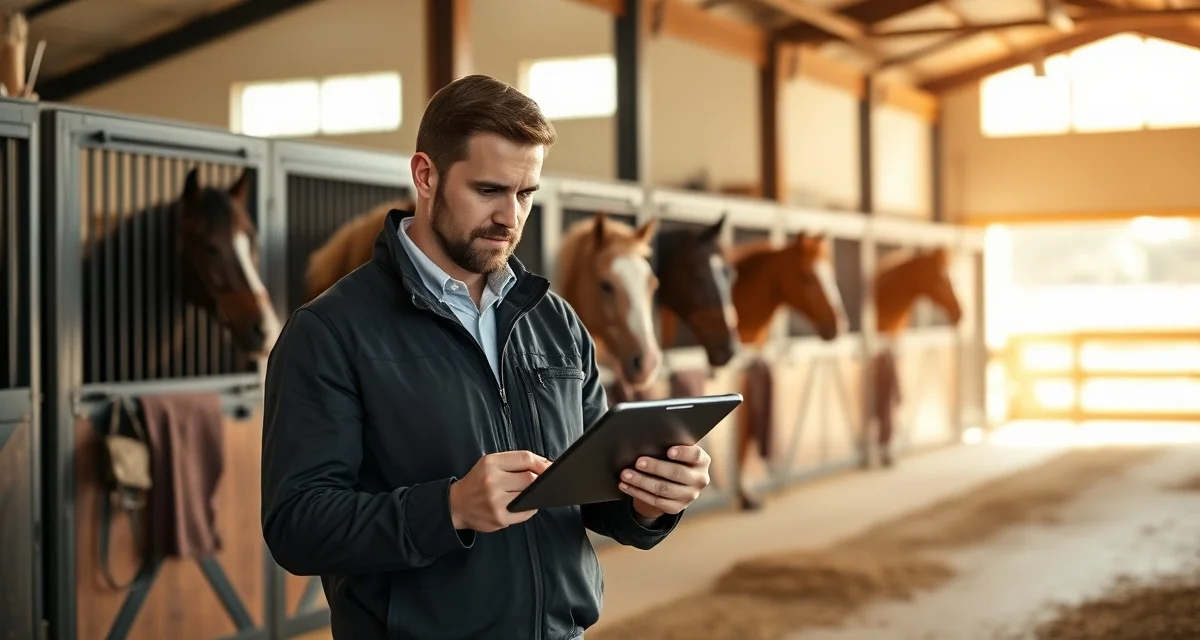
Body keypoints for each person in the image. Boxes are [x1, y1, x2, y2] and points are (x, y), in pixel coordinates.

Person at [260, 74, 713, 640]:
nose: (511, 217)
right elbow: (297, 526)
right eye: (489, 190)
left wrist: (653, 497)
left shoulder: (557, 321)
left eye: (526, 194)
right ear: (426, 176)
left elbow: (594, 494)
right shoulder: (328, 332)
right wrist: (448, 508)